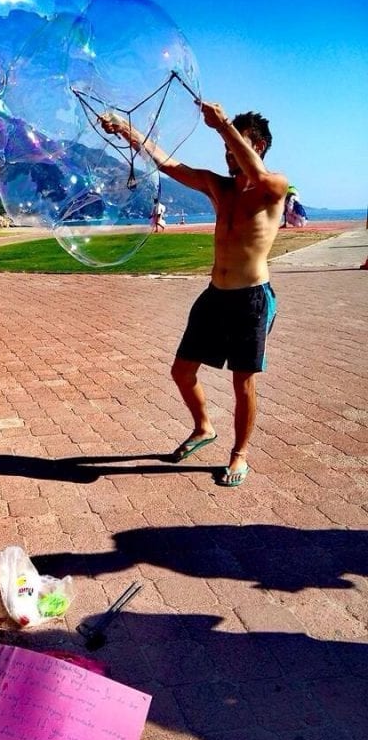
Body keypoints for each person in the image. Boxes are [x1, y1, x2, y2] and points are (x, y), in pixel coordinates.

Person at [101, 100, 288, 487]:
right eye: (226, 146)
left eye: (237, 144)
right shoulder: (219, 186)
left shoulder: (273, 186)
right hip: (215, 295)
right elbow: (169, 164)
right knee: (182, 371)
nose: (228, 152)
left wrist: (223, 127)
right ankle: (204, 426)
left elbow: (256, 174)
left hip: (251, 299)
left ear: (258, 147)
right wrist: (125, 130)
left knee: (242, 382)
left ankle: (239, 454)